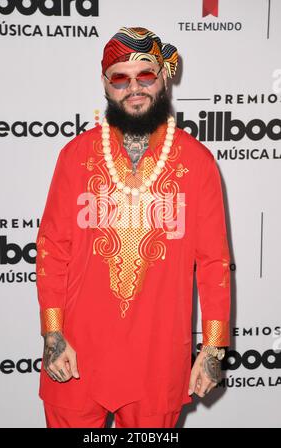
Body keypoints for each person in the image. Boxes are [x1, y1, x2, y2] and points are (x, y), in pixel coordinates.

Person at [35, 26, 231, 428]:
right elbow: (52, 250)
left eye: (145, 75)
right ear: (106, 86)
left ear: (165, 77)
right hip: (75, 359)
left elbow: (214, 264)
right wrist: (53, 336)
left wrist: (211, 349)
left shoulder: (197, 162)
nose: (134, 87)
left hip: (157, 361)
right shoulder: (75, 157)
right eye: (120, 78)